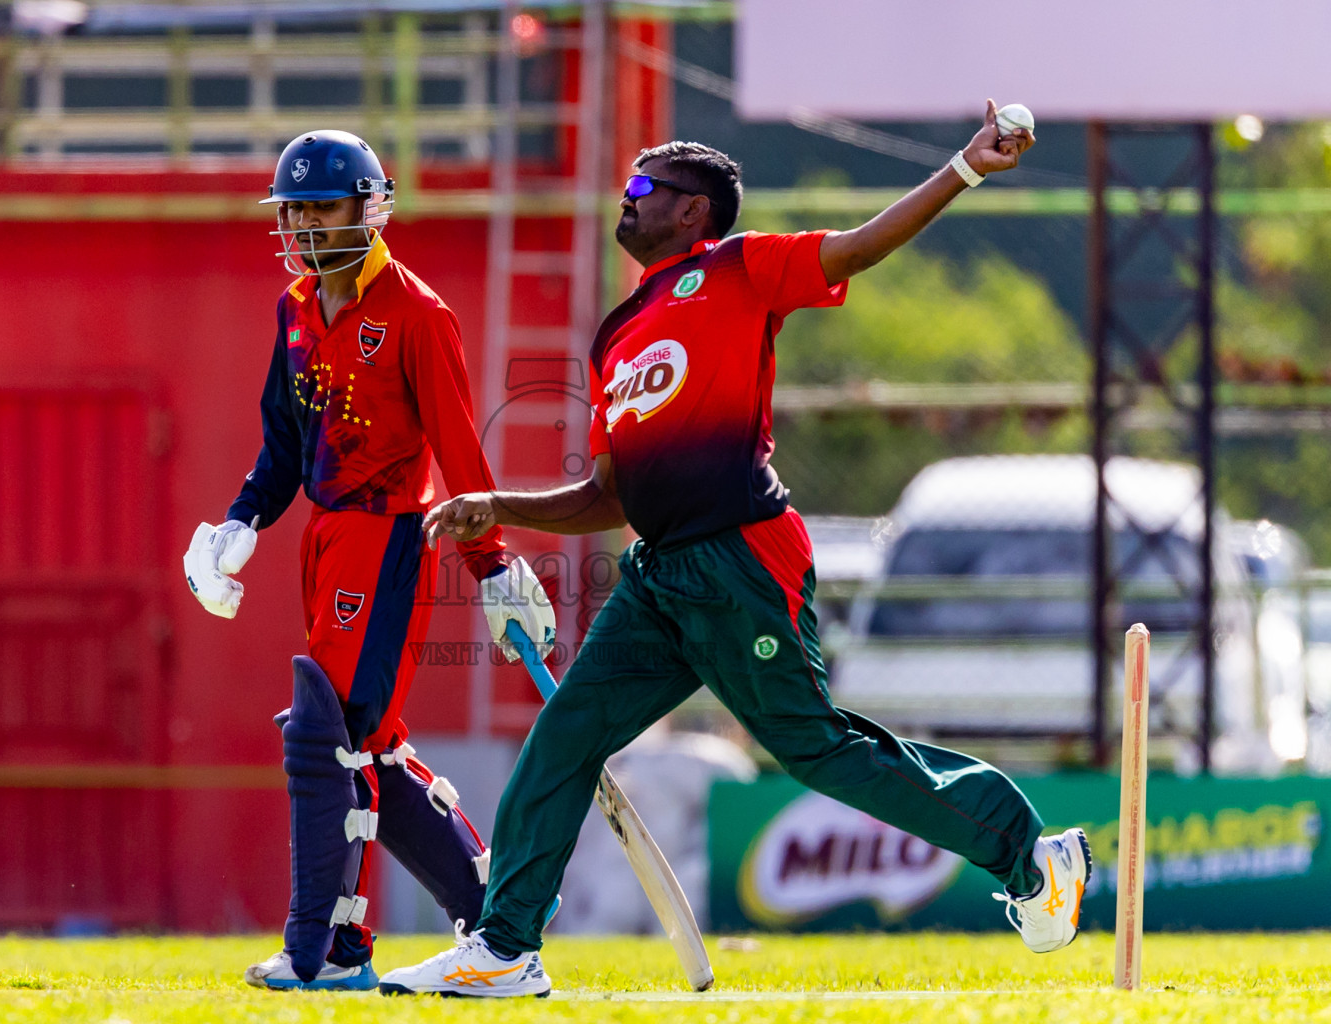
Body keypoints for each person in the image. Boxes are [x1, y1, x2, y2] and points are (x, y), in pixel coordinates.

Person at [380, 102, 1088, 999]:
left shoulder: (740, 269)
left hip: (741, 559)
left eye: (645, 188)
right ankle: (505, 946)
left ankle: (1030, 852)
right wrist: (497, 506)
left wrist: (966, 167)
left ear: (693, 211)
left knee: (816, 749)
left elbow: (861, 248)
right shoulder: (615, 336)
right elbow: (608, 495)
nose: (625, 201)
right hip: (660, 577)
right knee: (564, 740)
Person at [182, 129, 556, 992]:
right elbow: (283, 449)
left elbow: (463, 454)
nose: (309, 226)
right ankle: (502, 920)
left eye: (324, 207)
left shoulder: (419, 314)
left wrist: (496, 566)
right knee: (371, 748)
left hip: (390, 537)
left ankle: (326, 953)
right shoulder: (295, 311)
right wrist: (238, 522)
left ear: (370, 207)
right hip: (323, 536)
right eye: (297, 210)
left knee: (326, 740)